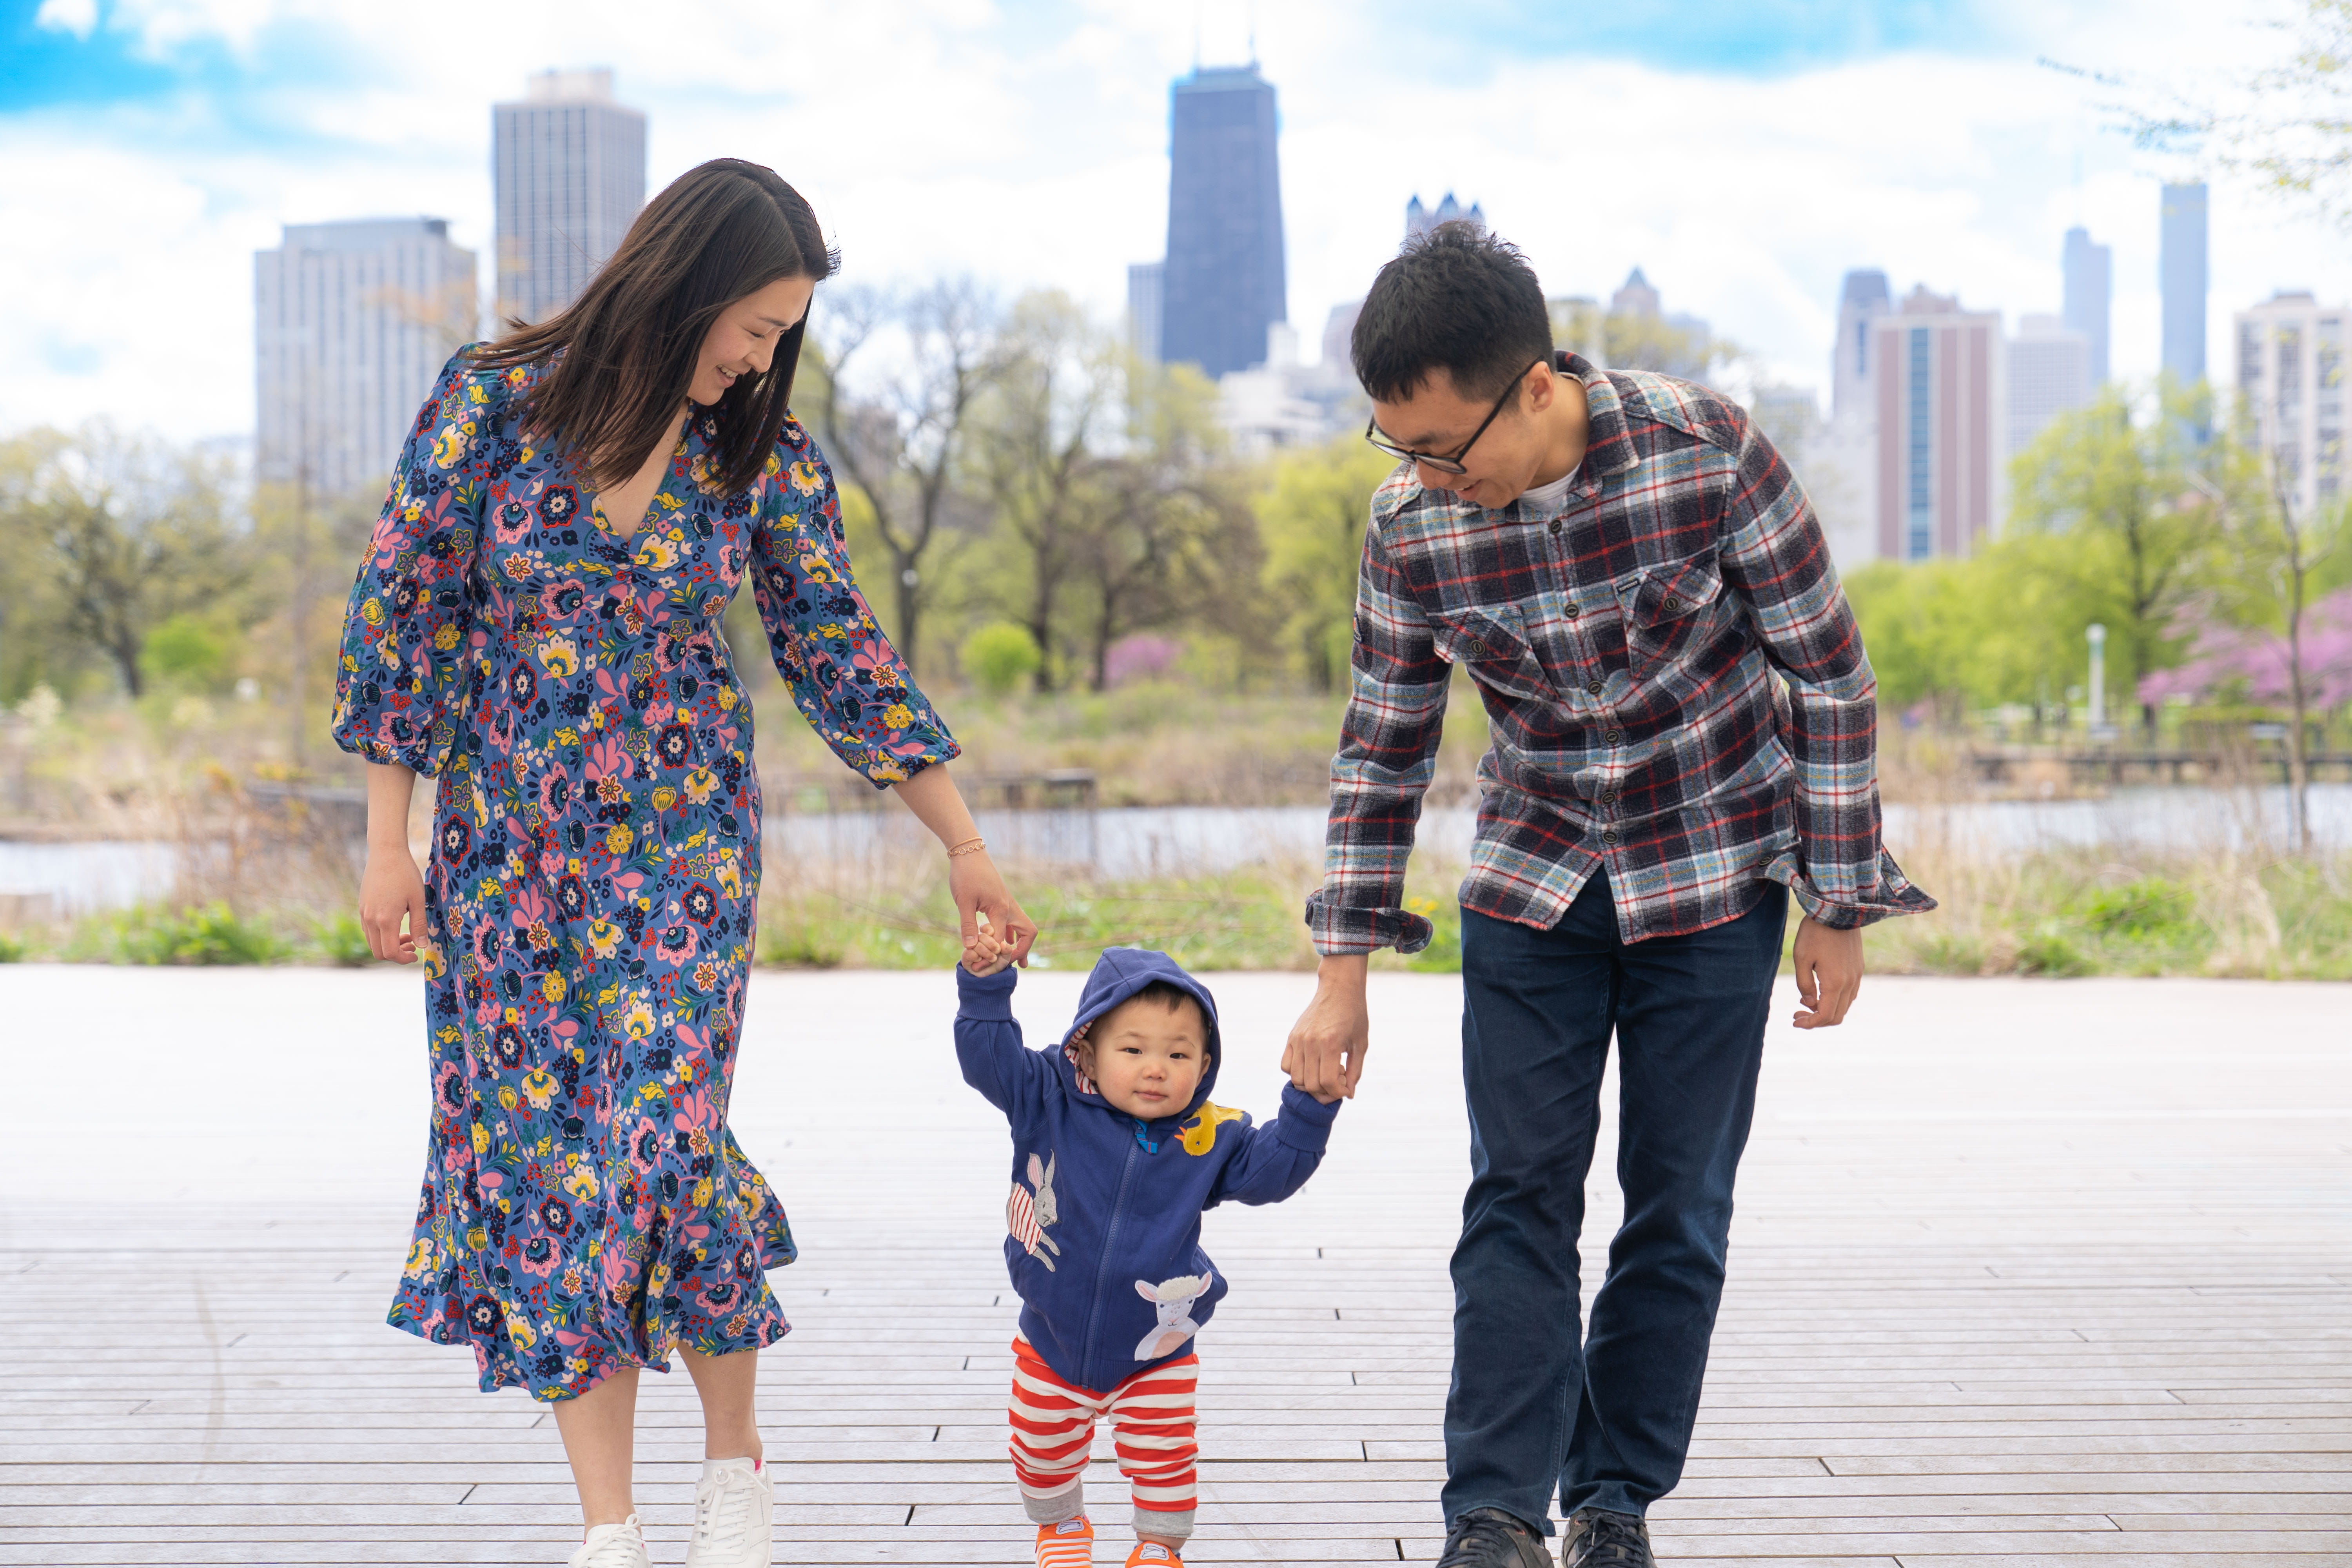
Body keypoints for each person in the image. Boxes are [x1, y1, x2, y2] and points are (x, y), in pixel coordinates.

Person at [336, 159, 1038, 1568]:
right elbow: (400, 621)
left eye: (782, 336)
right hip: (507, 856)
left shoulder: (757, 463)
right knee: (548, 1171)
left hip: (683, 854)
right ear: (684, 285)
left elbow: (843, 655)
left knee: (657, 1141)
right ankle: (611, 1529)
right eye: (756, 325)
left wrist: (962, 843)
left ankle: (735, 1473)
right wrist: (386, 846)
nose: (761, 357)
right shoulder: (493, 403)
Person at [1281, 223, 1934, 1568]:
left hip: (1714, 875)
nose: (1424, 479)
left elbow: (1828, 676)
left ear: (1535, 386)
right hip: (1531, 881)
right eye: (1396, 448)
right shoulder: (1412, 528)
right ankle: (1495, 1515)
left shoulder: (1710, 454)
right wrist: (1341, 972)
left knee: (1677, 1201)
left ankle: (1614, 1499)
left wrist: (1838, 899)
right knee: (1516, 1193)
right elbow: (1384, 738)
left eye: (1446, 451)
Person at [955, 926, 1341, 1568]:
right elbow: (987, 1056)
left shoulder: (1210, 1137)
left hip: (1155, 1350)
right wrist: (987, 987)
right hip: (1051, 1337)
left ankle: (1158, 1548)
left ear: (1206, 1065)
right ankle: (1062, 1530)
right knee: (1039, 1450)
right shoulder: (1046, 1098)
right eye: (1133, 1049)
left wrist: (1310, 1106)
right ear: (1088, 1049)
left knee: (1165, 1457)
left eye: (1180, 1055)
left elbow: (1276, 1172)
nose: (1156, 1069)